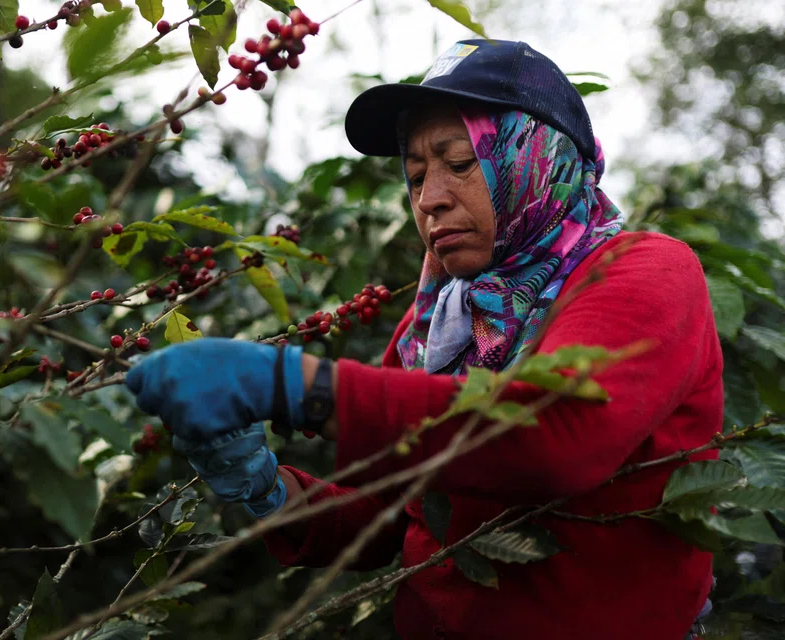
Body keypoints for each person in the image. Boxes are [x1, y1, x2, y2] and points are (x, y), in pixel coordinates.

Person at [125, 39, 722, 640]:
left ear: (534, 156)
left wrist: (292, 385)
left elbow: (555, 433)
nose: (429, 199)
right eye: (415, 176)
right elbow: (394, 511)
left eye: (459, 163)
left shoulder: (646, 271)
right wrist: (268, 489)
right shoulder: (440, 320)